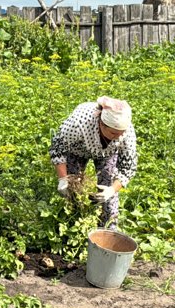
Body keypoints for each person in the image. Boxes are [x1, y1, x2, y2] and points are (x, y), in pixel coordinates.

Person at [49, 96, 138, 230]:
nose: (118, 136)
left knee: (107, 187)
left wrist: (112, 190)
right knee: (73, 186)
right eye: (114, 133)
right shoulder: (78, 123)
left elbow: (128, 166)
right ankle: (73, 223)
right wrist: (62, 179)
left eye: (121, 133)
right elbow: (58, 148)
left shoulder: (127, 133)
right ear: (101, 124)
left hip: (108, 153)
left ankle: (108, 230)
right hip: (78, 149)